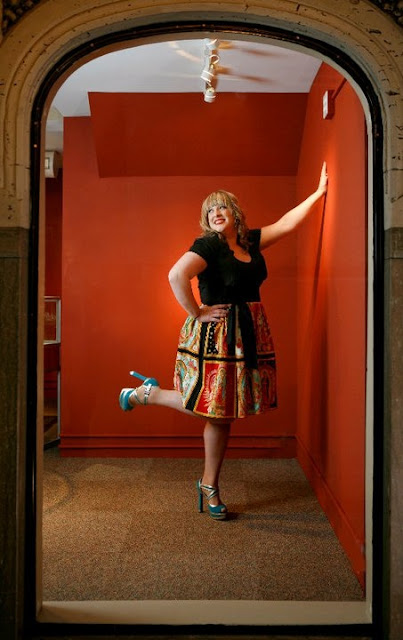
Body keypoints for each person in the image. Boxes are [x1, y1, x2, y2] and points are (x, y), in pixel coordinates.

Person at [119, 162, 328, 521]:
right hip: (217, 335)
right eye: (210, 210)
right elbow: (176, 274)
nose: (216, 212)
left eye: (222, 207)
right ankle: (153, 401)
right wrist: (197, 312)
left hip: (247, 332)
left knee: (223, 412)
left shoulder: (249, 242)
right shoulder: (209, 246)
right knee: (218, 410)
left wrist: (319, 194)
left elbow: (287, 224)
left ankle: (206, 480)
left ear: (235, 213)